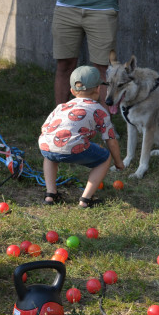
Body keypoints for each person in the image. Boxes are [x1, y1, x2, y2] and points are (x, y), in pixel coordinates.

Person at [39, 65, 124, 208]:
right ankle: (85, 199)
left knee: (50, 155)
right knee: (104, 158)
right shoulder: (100, 110)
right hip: (74, 147)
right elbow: (111, 140)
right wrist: (118, 161)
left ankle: (50, 195)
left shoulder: (61, 107)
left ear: (72, 91)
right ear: (98, 89)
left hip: (46, 145)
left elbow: (44, 128)